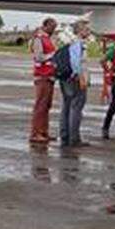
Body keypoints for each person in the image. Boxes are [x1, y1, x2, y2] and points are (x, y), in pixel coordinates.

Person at [59, 20, 92, 148]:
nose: (88, 31)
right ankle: (74, 138)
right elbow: (75, 61)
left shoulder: (68, 41)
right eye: (86, 29)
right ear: (79, 31)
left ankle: (65, 135)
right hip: (75, 79)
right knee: (76, 108)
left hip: (66, 78)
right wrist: (81, 77)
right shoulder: (77, 43)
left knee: (66, 107)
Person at [28, 17, 58, 144]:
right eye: (52, 27)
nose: (53, 29)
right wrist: (53, 55)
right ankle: (36, 133)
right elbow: (39, 57)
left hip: (50, 75)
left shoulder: (48, 39)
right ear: (45, 26)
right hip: (42, 76)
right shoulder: (39, 39)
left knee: (46, 105)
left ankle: (44, 131)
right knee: (40, 105)